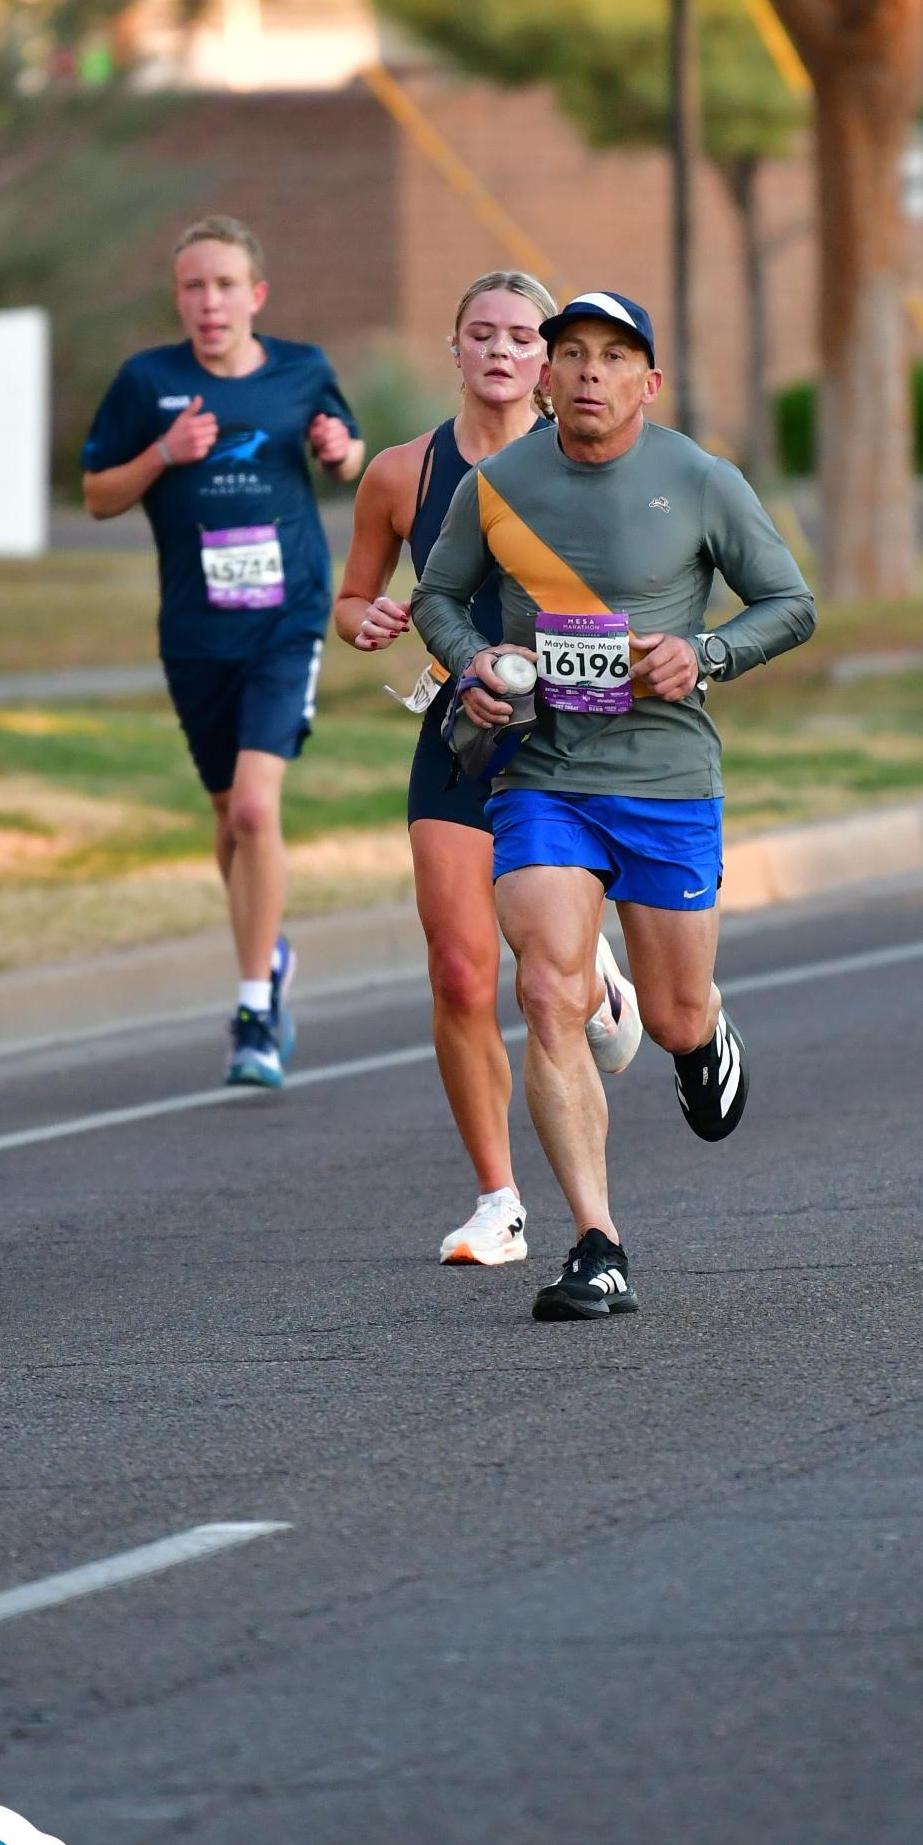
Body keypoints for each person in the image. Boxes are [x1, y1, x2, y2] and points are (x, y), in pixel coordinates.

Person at [413, 288, 815, 1318]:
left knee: (670, 1014)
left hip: (664, 775)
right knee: (548, 992)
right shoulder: (497, 485)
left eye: (614, 356)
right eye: (573, 354)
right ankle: (597, 1244)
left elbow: (789, 603)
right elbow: (438, 597)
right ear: (546, 377)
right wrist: (475, 661)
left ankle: (702, 1029)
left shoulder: (700, 479)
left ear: (649, 381)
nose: (590, 372)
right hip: (542, 771)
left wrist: (707, 652)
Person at [335, 271, 642, 1268]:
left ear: (548, 360)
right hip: (461, 729)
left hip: (571, 734)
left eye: (521, 336)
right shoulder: (402, 474)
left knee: (545, 978)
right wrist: (369, 620)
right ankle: (497, 1202)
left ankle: (598, 980)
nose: (501, 351)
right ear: (455, 349)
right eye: (483, 334)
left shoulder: (594, 461)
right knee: (461, 968)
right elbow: (352, 600)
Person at [82, 216, 364, 1088]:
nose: (210, 302)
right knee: (224, 815)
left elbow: (348, 456)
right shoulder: (148, 381)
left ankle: (253, 1013)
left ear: (257, 295)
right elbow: (97, 495)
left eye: (226, 286)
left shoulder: (301, 369)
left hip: (286, 620)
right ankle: (266, 949)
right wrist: (163, 454)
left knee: (251, 809)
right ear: (179, 299)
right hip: (196, 629)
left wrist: (339, 451)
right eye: (194, 287)